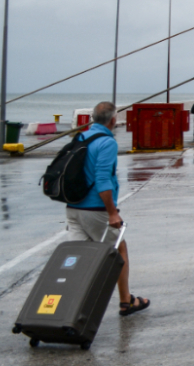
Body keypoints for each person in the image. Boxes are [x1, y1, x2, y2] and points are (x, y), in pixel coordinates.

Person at [66, 101, 150, 316]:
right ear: (113, 120)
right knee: (118, 250)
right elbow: (102, 179)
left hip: (73, 206)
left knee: (79, 257)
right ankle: (126, 301)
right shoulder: (106, 142)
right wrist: (112, 212)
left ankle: (67, 305)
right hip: (95, 208)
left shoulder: (81, 137)